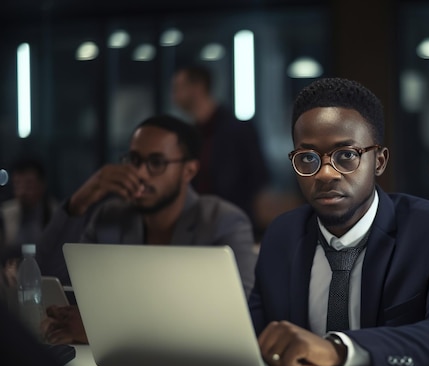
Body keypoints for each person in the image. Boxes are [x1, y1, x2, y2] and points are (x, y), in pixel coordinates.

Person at [249, 78, 429, 366]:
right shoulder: (282, 235)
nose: (324, 174)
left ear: (379, 161)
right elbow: (250, 339)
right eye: (308, 157)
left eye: (346, 155)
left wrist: (339, 349)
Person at [37, 114, 257, 345]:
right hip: (109, 363)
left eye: (156, 163)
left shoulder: (223, 222)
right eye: (134, 160)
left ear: (189, 171)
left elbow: (235, 317)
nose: (140, 173)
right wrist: (80, 201)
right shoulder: (109, 217)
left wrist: (102, 329)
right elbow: (49, 279)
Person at [171, 65, 270, 239]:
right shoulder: (190, 135)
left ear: (197, 88)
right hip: (198, 227)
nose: (174, 96)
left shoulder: (237, 129)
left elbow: (259, 176)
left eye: (179, 88)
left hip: (234, 224)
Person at [0, 156, 58, 260]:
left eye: (28, 185)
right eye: (17, 185)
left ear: (41, 185)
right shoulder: (5, 213)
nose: (22, 192)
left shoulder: (54, 213)